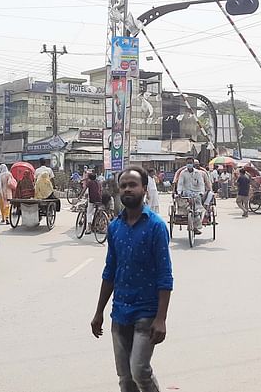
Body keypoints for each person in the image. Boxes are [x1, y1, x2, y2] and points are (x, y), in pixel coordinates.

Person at [91, 167, 173, 392]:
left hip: (146, 312)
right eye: (124, 185)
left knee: (139, 371)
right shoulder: (115, 227)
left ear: (144, 189)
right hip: (120, 313)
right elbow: (110, 272)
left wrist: (161, 318)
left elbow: (165, 275)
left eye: (133, 184)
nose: (127, 188)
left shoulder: (156, 226)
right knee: (125, 378)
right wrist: (99, 312)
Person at [176, 159, 207, 235]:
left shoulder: (198, 173)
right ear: (186, 164)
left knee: (198, 209)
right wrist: (179, 192)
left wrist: (201, 192)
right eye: (188, 163)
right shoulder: (183, 173)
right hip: (186, 193)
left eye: (191, 163)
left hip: (196, 193)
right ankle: (189, 220)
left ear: (193, 164)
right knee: (184, 206)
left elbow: (201, 184)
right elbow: (180, 183)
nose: (189, 164)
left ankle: (196, 226)